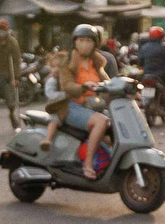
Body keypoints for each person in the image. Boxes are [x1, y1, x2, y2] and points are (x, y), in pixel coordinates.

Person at [39, 22, 113, 165]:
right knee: (101, 121)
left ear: (95, 43)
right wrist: (83, 86)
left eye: (89, 41)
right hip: (71, 106)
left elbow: (108, 82)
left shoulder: (96, 63)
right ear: (75, 42)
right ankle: (89, 163)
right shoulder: (67, 63)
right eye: (81, 40)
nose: (85, 44)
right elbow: (67, 86)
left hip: (92, 106)